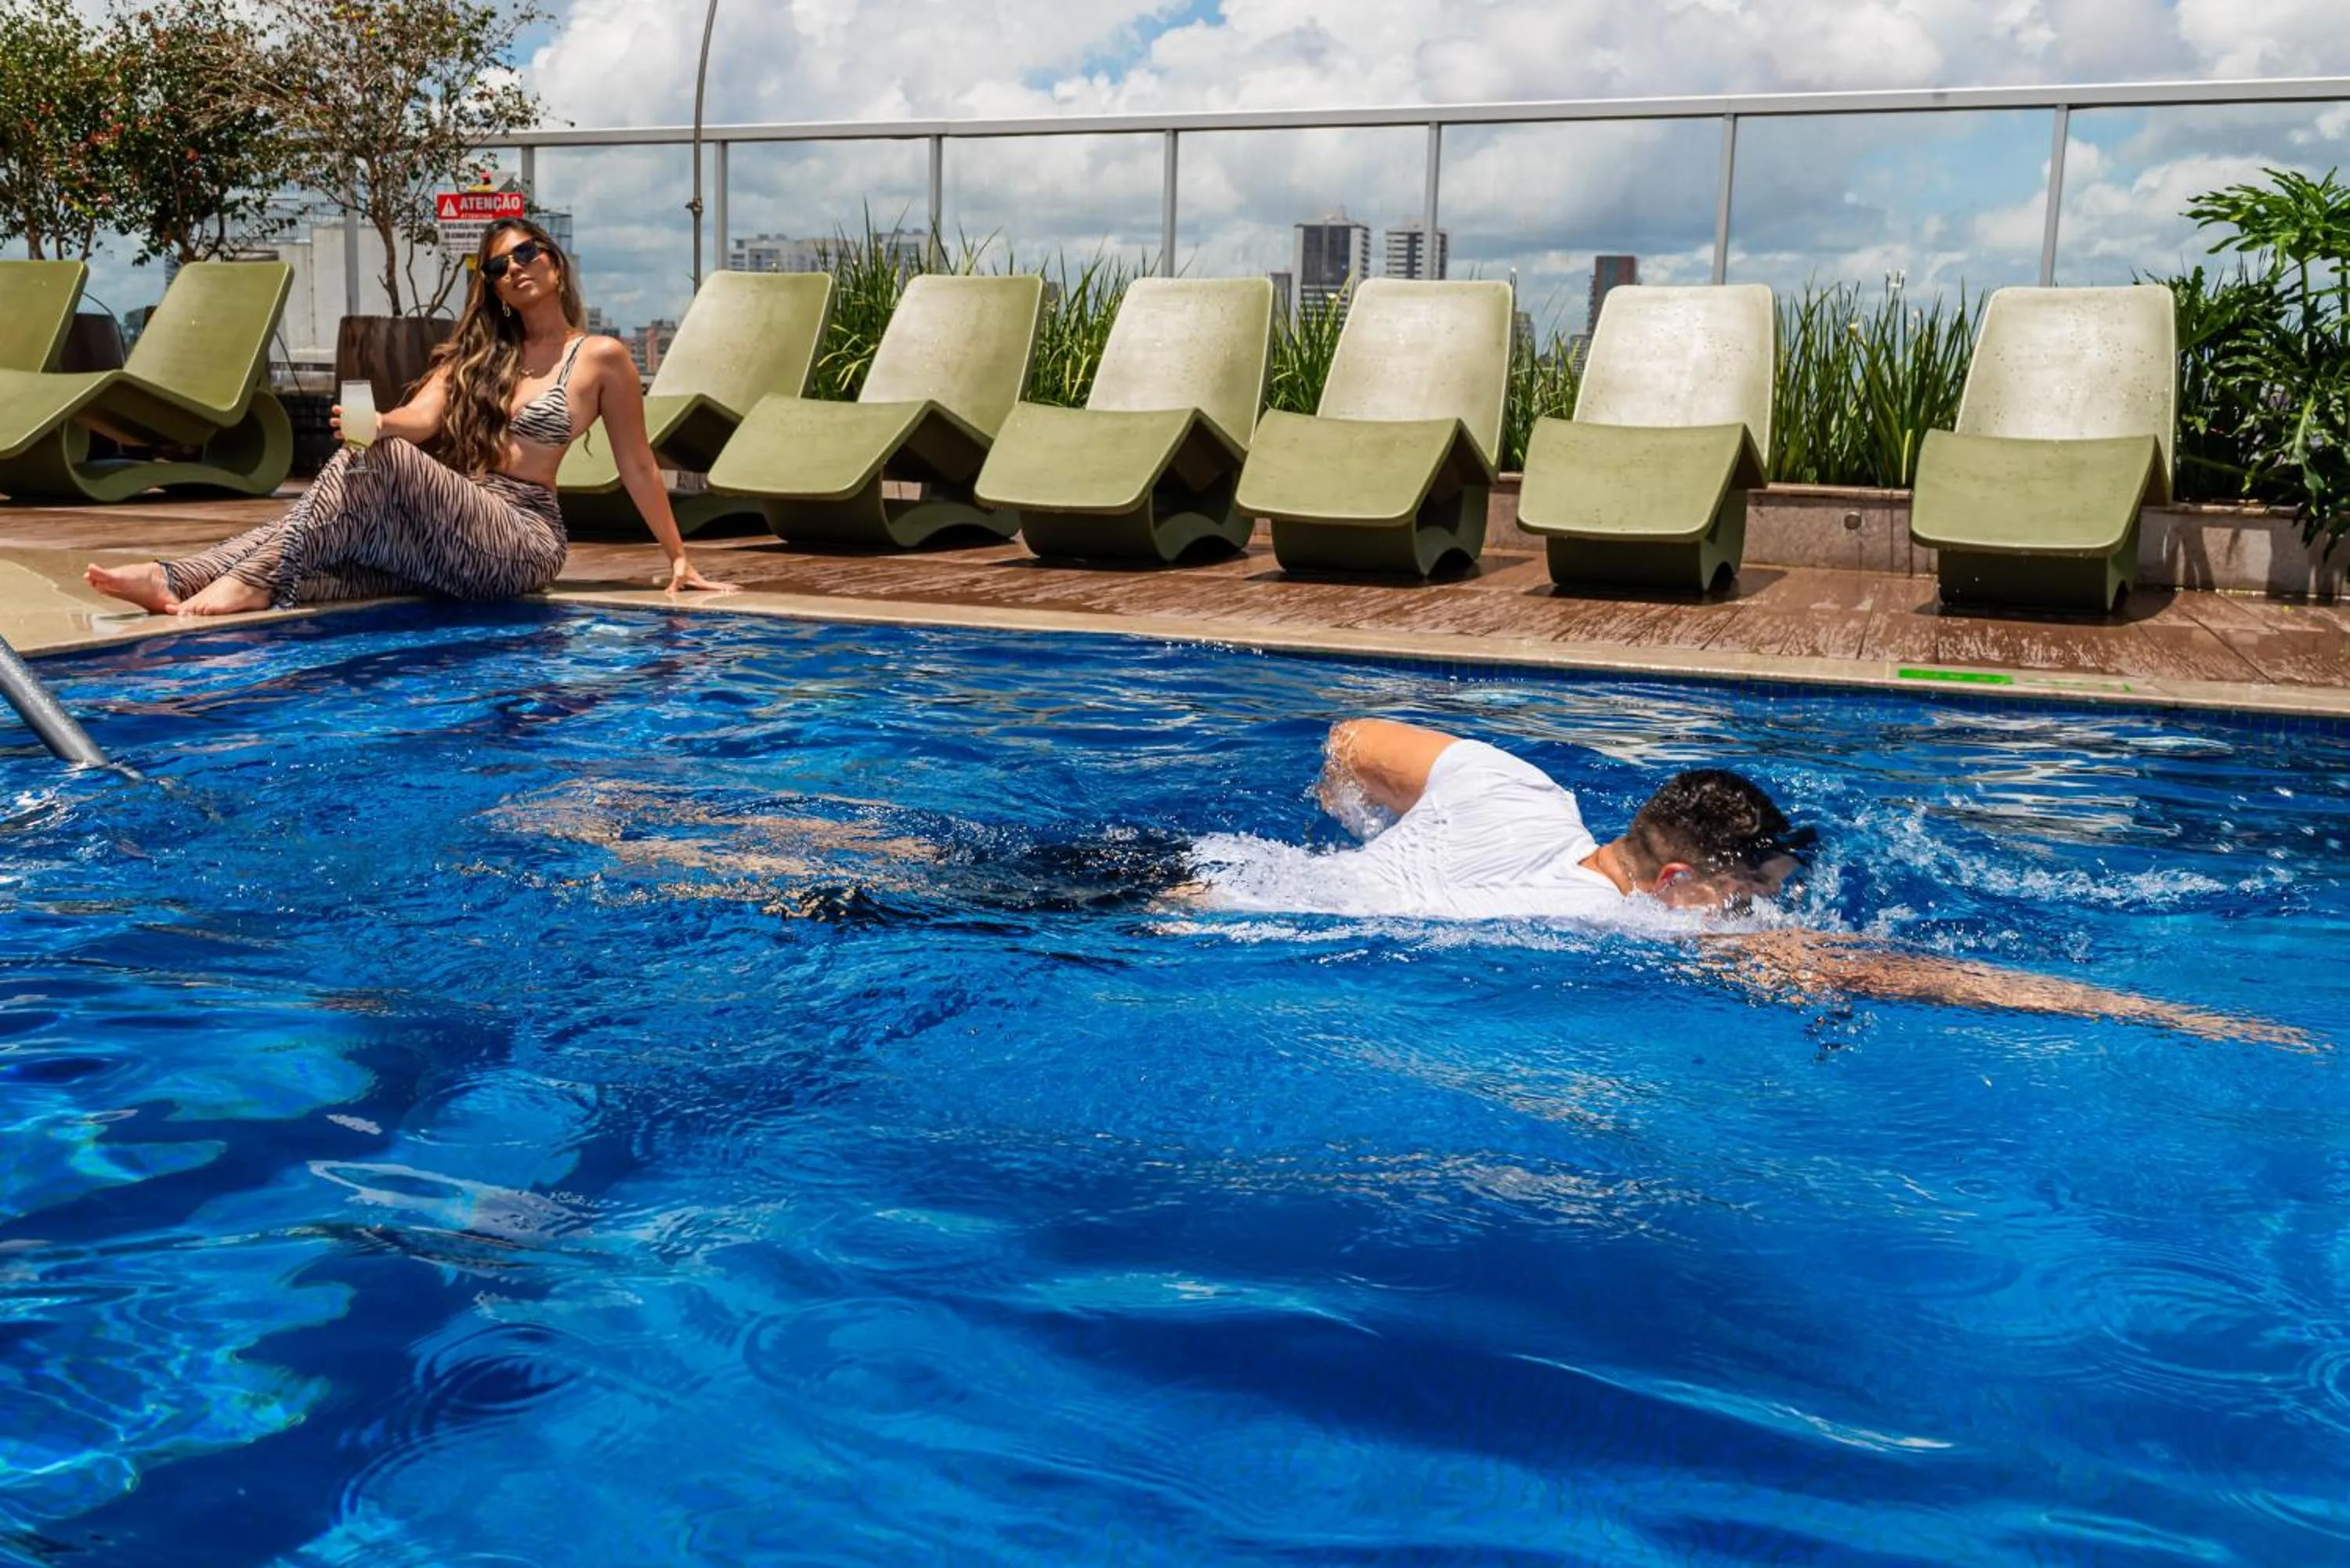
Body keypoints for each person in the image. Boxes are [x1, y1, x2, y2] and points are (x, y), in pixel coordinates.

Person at [85, 219, 738, 617]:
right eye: (499, 268)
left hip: (521, 541)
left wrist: (678, 557)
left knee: (366, 467)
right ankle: (176, 577)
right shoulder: (482, 355)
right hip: (448, 524)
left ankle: (244, 581)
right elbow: (418, 420)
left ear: (554, 263)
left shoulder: (600, 358)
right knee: (327, 570)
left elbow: (638, 464)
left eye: (527, 255)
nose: (515, 270)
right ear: (495, 289)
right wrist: (377, 425)